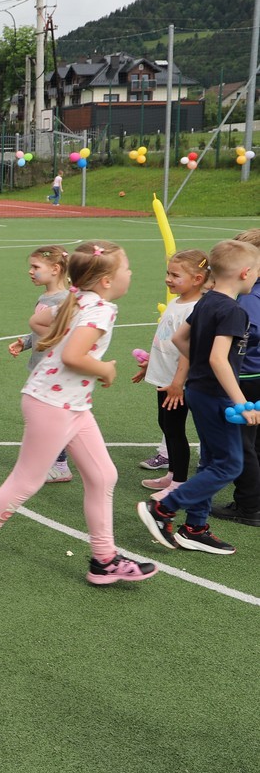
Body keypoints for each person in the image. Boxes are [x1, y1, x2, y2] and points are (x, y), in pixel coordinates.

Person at [0, 240, 157, 589]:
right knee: (26, 481)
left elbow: (38, 320)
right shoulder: (99, 309)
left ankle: (104, 560)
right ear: (107, 281)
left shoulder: (78, 299)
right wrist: (104, 369)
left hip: (71, 404)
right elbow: (74, 356)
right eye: (127, 268)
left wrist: (57, 336)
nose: (131, 273)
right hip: (52, 404)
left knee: (103, 476)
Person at [139, 239, 260, 554]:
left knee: (211, 461)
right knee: (229, 465)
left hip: (198, 389)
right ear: (245, 272)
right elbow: (219, 359)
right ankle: (163, 509)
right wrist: (241, 402)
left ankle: (195, 527)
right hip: (216, 394)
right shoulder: (233, 310)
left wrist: (200, 364)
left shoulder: (206, 302)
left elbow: (180, 338)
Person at [137, 251, 207, 495]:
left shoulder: (195, 309)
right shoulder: (177, 302)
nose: (168, 279)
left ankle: (179, 483)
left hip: (177, 383)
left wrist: (178, 382)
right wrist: (150, 364)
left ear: (197, 279)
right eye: (168, 273)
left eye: (175, 275)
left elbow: (190, 351)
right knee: (166, 425)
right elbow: (165, 338)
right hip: (164, 376)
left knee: (175, 430)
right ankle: (172, 475)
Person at [8, 245, 78, 483]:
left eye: (35, 267)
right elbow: (42, 331)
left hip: (55, 372)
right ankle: (46, 461)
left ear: (55, 269)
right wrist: (25, 342)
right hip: (40, 369)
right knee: (43, 418)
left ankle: (60, 466)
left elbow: (65, 336)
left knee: (52, 419)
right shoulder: (45, 298)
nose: (30, 271)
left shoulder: (65, 300)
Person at [214, 228, 260, 526]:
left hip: (247, 374)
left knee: (243, 444)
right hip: (254, 372)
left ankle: (248, 506)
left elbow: (250, 330)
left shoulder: (248, 297)